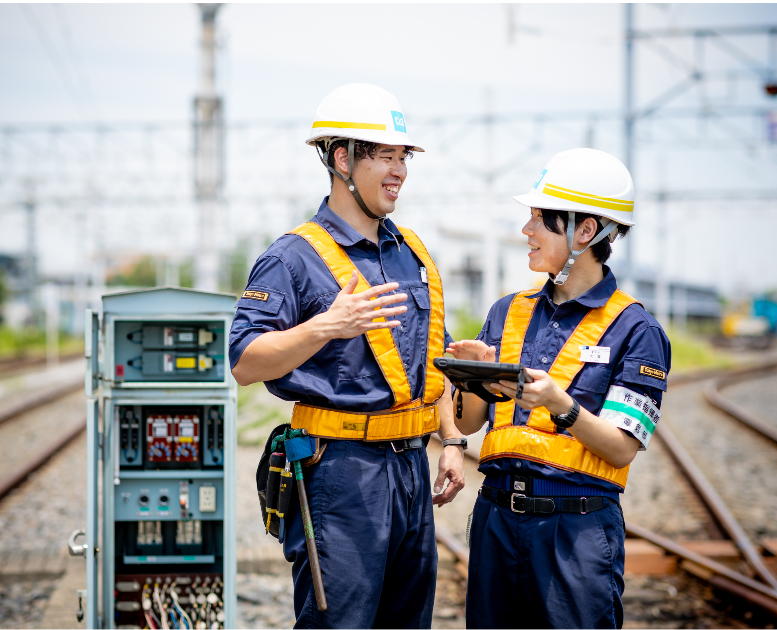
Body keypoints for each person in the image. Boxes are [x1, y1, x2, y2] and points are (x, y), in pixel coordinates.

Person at [229, 83, 467, 628]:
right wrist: (325, 327)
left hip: (410, 468)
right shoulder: (291, 258)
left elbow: (429, 365)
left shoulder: (413, 255)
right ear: (342, 159)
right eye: (384, 155)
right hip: (339, 473)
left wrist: (451, 442)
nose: (399, 170)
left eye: (403, 156)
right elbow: (245, 361)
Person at [448, 148, 671, 629]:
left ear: (585, 232)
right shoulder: (507, 311)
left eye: (539, 221)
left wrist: (562, 406)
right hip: (497, 518)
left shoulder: (637, 332)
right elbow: (467, 423)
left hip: (577, 530)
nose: (526, 232)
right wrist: (471, 378)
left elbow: (620, 449)